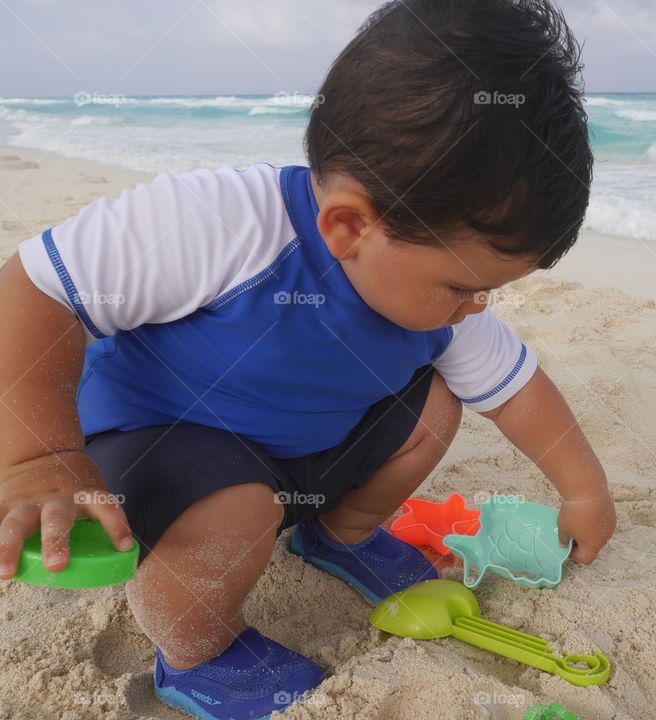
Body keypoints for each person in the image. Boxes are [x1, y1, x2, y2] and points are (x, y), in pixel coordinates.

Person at [0, 0, 616, 717]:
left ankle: (340, 533)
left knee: (437, 408)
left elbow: (516, 392)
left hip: (307, 456)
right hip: (162, 445)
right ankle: (198, 651)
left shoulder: (445, 300)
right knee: (236, 510)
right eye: (461, 286)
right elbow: (34, 287)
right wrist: (34, 456)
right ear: (350, 225)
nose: (476, 307)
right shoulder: (223, 222)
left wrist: (584, 491)